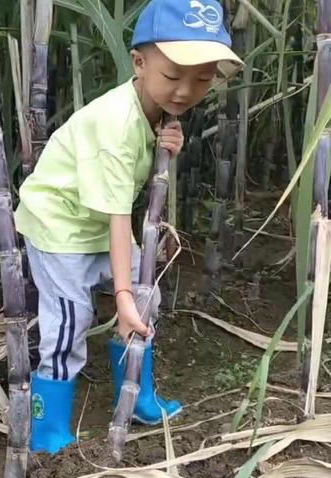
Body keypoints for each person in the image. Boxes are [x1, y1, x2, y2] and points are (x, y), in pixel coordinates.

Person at [14, 0, 243, 454]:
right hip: (61, 226)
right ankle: (45, 428)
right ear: (139, 62)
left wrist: (165, 146)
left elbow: (128, 194)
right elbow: (121, 217)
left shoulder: (154, 108)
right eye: (173, 77)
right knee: (69, 321)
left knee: (146, 297)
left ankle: (138, 397)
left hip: (96, 218)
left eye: (202, 79)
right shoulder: (115, 125)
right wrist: (120, 298)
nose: (184, 91)